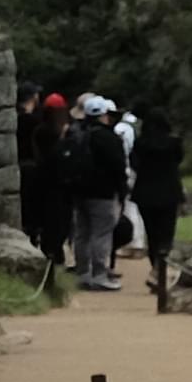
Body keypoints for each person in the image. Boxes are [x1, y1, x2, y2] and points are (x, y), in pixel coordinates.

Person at [61, 88, 128, 290]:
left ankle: (83, 272)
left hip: (79, 191)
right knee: (101, 233)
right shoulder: (109, 139)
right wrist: (122, 191)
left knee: (82, 232)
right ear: (104, 115)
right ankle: (100, 273)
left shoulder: (77, 135)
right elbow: (118, 168)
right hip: (103, 193)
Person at [13, 85, 69, 285]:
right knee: (53, 225)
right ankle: (51, 265)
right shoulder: (44, 130)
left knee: (33, 220)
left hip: (28, 176)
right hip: (47, 181)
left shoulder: (28, 124)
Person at [130, 106, 184, 305]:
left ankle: (156, 269)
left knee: (151, 234)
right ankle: (159, 272)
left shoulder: (140, 144)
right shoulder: (174, 143)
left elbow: (135, 164)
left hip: (146, 193)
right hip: (169, 192)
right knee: (166, 233)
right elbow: (178, 161)